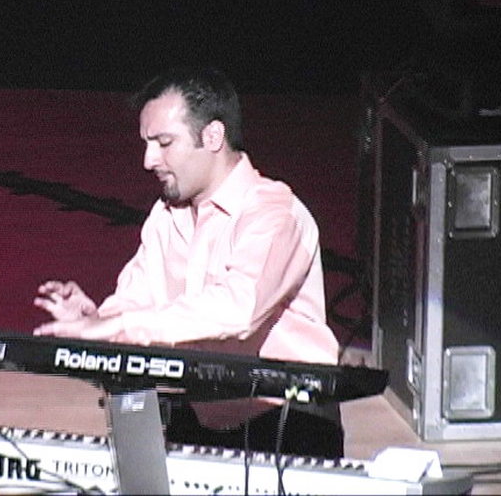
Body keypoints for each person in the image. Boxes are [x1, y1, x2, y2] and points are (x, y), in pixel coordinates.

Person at [33, 66, 344, 459]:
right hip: (199, 416)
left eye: (164, 142)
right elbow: (137, 304)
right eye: (147, 144)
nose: (149, 160)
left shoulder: (273, 212)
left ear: (212, 136)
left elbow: (238, 308)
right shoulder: (167, 217)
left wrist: (118, 325)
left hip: (286, 421)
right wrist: (95, 322)